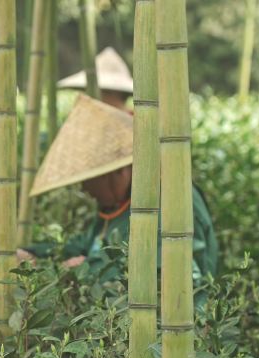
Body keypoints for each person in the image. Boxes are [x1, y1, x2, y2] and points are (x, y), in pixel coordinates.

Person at [18, 93, 220, 283]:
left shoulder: (169, 198)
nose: (85, 189)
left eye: (88, 180)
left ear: (117, 171)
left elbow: (155, 263)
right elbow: (86, 244)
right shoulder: (115, 205)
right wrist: (35, 252)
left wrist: (87, 267)